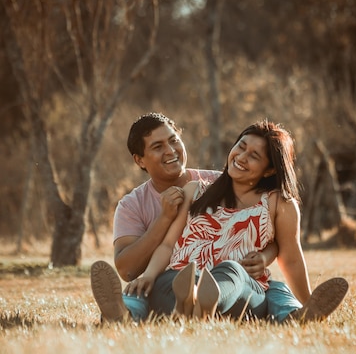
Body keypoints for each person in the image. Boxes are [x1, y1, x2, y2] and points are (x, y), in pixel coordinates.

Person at [102, 119, 348, 323]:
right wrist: (149, 275)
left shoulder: (278, 203)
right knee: (152, 285)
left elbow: (290, 255)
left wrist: (305, 296)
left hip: (237, 288)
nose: (241, 157)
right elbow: (168, 246)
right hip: (180, 279)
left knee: (237, 274)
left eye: (254, 156)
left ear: (270, 169)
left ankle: (207, 303)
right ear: (140, 159)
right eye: (240, 147)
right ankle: (125, 314)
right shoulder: (195, 190)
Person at [91, 112, 278, 322]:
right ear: (140, 160)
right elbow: (127, 270)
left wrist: (265, 257)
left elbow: (271, 233)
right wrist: (164, 219)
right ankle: (122, 314)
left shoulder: (220, 183)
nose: (170, 151)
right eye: (157, 146)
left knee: (271, 290)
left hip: (226, 278)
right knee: (141, 292)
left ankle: (173, 307)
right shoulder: (132, 205)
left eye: (174, 141)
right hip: (166, 281)